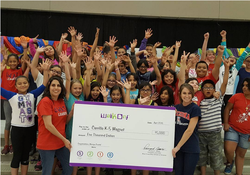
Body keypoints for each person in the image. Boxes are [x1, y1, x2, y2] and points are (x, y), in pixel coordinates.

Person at [0, 59, 49, 175]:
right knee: (17, 155)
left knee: (25, 155)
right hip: (17, 129)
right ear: (16, 86)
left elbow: (44, 84)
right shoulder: (11, 96)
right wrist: (1, 72)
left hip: (30, 129)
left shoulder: (32, 95)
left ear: (28, 84)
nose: (22, 85)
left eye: (25, 83)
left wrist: (46, 71)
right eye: (20, 83)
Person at [197, 58, 230, 175]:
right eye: (205, 87)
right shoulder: (198, 101)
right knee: (202, 157)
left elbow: (224, 83)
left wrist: (226, 68)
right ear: (202, 90)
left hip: (215, 133)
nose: (208, 89)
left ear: (214, 89)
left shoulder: (218, 98)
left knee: (216, 157)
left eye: (211, 87)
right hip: (200, 133)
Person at [37, 76, 74, 175]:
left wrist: (71, 113)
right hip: (47, 143)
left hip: (60, 143)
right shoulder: (45, 101)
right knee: (47, 172)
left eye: (58, 85)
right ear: (49, 87)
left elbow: (64, 122)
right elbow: (48, 125)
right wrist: (64, 140)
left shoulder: (61, 101)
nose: (56, 88)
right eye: (53, 85)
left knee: (69, 167)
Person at [1, 49, 27, 155]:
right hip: (7, 100)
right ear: (7, 62)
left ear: (18, 62)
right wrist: (3, 59)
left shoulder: (19, 71)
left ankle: (13, 144)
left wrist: (25, 49)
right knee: (8, 122)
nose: (12, 63)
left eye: (14, 61)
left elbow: (25, 60)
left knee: (16, 122)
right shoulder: (4, 70)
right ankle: (6, 145)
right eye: (10, 61)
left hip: (17, 100)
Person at [172, 83, 201, 175]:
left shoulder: (195, 108)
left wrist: (177, 147)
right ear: (180, 94)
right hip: (178, 148)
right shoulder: (175, 108)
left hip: (190, 148)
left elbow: (189, 130)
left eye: (189, 93)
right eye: (184, 93)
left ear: (192, 94)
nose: (187, 96)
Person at [224, 77, 250, 175]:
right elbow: (227, 109)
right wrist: (226, 123)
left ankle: (239, 173)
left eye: (247, 86)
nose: (244, 87)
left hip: (247, 132)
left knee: (241, 155)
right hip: (232, 128)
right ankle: (230, 162)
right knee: (229, 149)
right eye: (243, 85)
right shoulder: (236, 96)